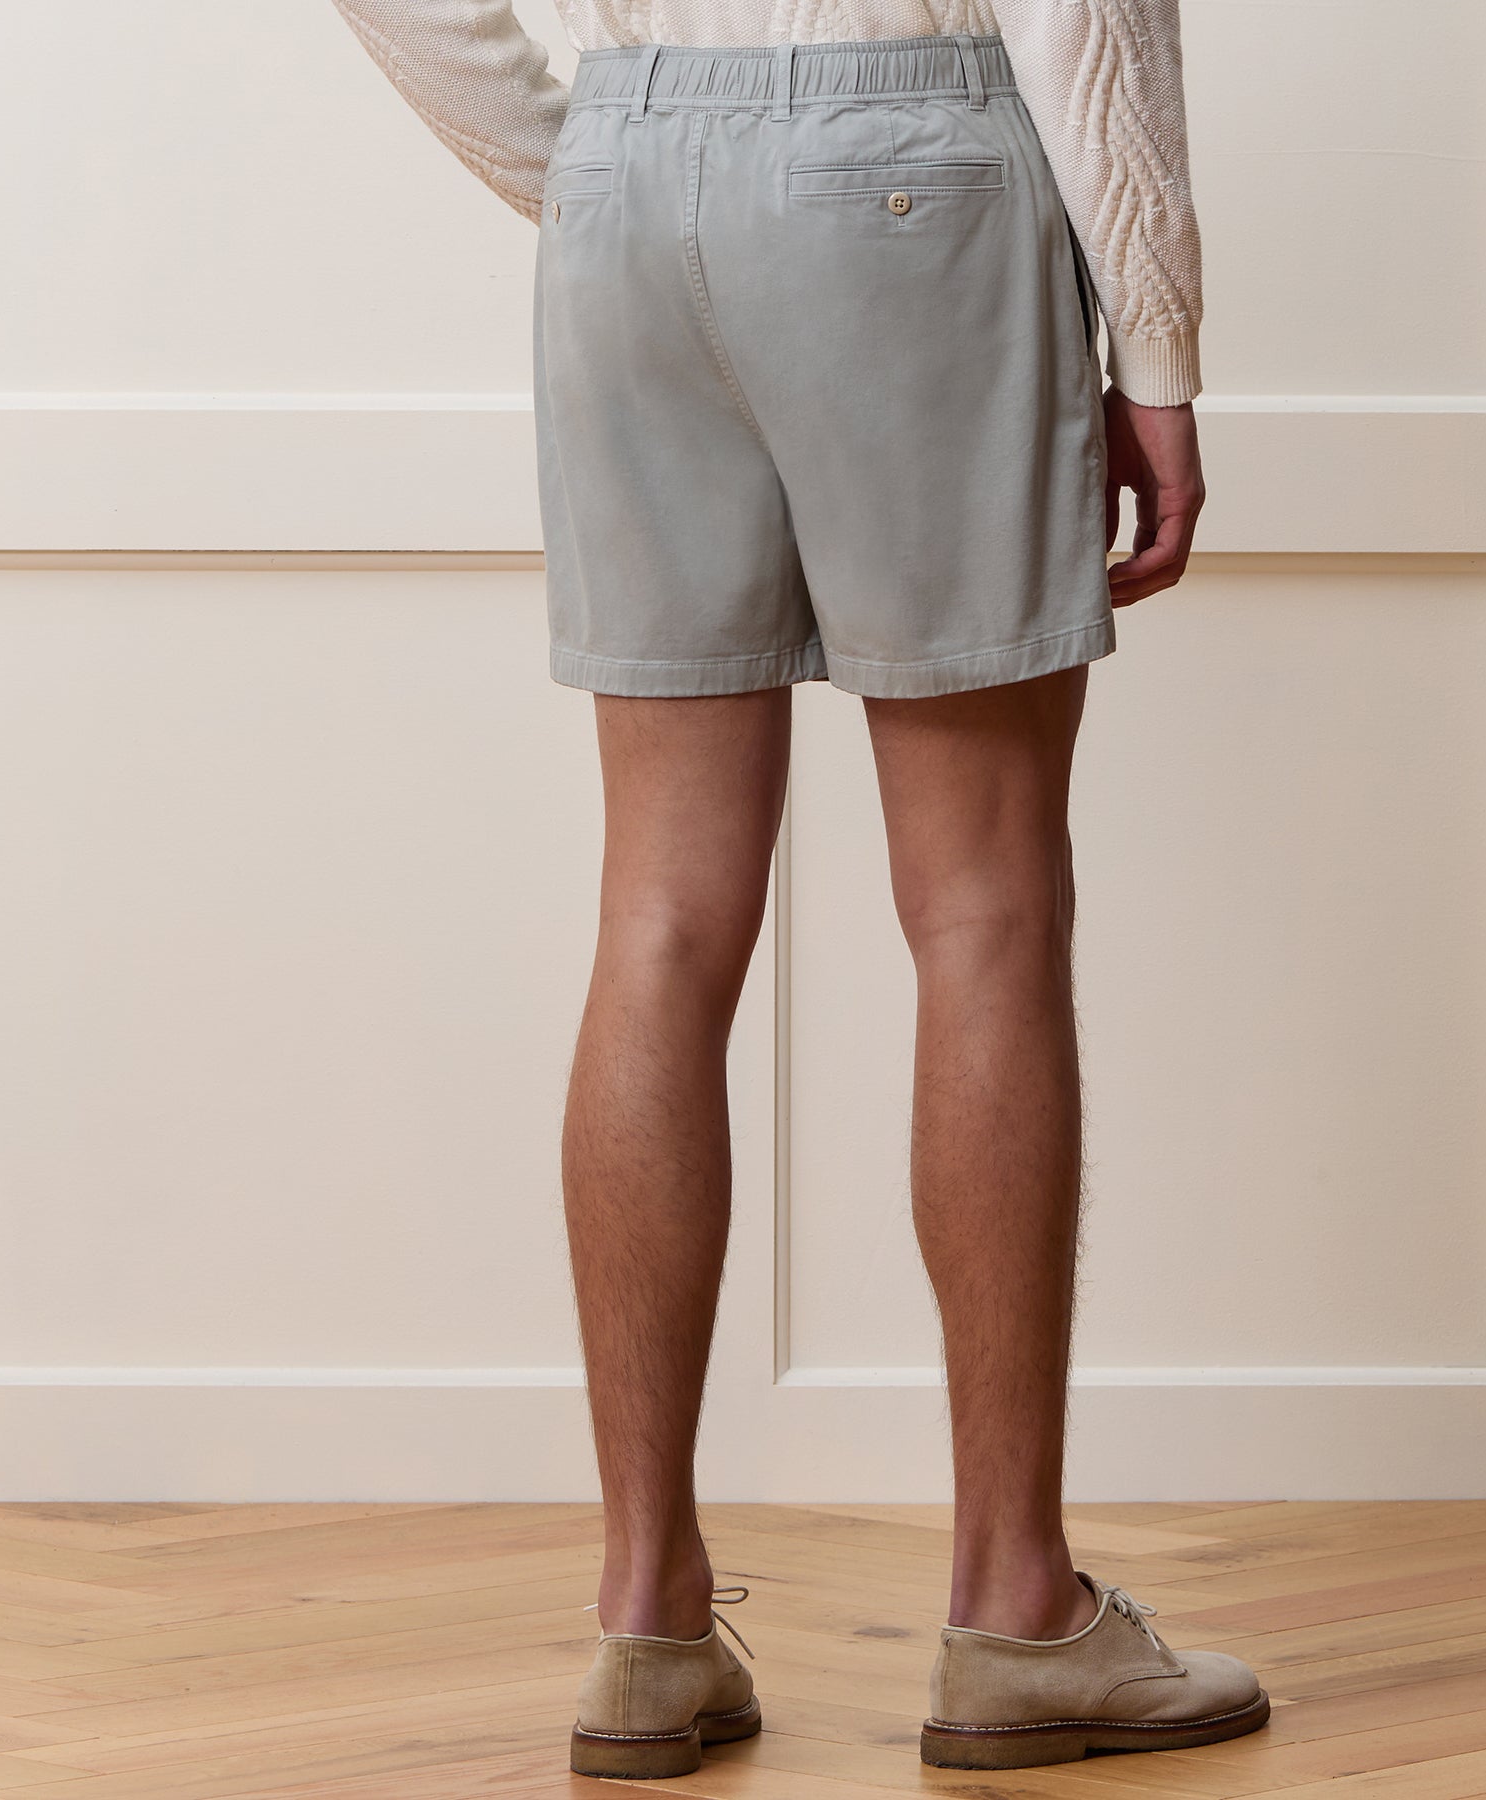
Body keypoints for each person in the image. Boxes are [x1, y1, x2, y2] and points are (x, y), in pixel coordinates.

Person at [326, 0, 1269, 1776]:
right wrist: (1157, 343)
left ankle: (648, 1622)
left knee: (659, 919)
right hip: (911, 176)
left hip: (629, 181)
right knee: (985, 909)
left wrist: (599, 158)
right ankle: (1016, 1613)